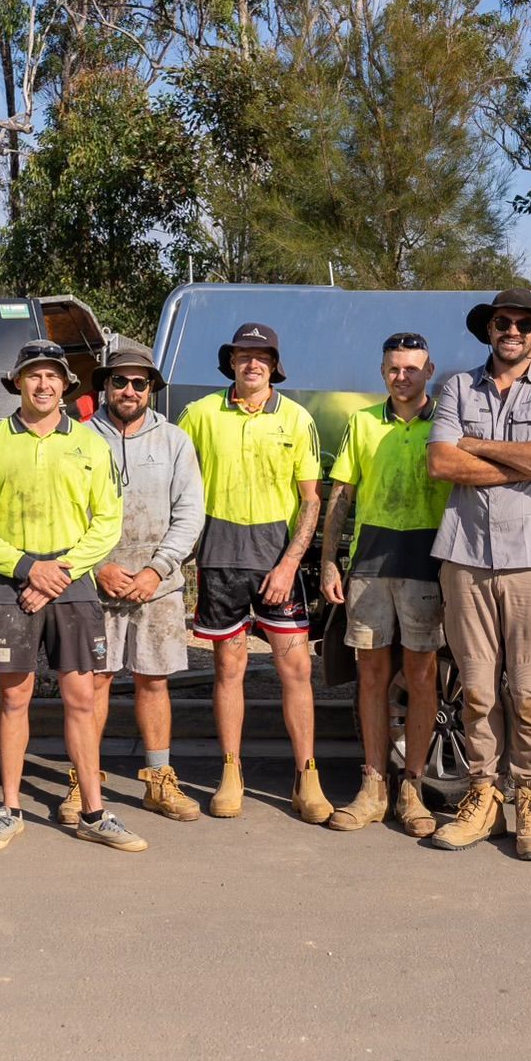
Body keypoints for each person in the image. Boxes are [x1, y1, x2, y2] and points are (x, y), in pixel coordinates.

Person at [0, 339, 147, 853]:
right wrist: (26, 569)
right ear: (17, 382)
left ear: (67, 385)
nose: (43, 384)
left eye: (52, 376)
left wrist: (59, 572)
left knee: (81, 698)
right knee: (14, 697)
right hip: (8, 581)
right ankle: (9, 809)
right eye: (33, 375)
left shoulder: (90, 444)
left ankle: (93, 811)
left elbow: (107, 522)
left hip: (72, 582)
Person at [427, 289, 531, 860]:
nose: (512, 330)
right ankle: (482, 796)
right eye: (503, 322)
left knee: (526, 690)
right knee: (474, 689)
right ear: (489, 329)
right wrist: (523, 461)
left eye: (524, 323)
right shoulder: (456, 386)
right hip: (465, 558)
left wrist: (480, 448)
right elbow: (441, 462)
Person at [179, 322, 331, 822]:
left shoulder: (296, 418)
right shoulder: (199, 414)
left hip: (276, 563)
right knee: (229, 668)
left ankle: (306, 774)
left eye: (262, 356)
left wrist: (290, 563)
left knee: (296, 669)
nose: (252, 363)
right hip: (220, 559)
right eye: (244, 355)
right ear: (231, 361)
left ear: (274, 364)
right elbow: (178, 484)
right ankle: (230, 771)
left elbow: (312, 499)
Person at [54, 343, 205, 825]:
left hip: (156, 584)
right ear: (104, 386)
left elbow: (190, 513)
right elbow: (63, 513)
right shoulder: (77, 438)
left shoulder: (175, 441)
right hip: (94, 580)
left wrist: (157, 569)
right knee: (93, 684)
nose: (129, 390)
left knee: (153, 680)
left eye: (140, 383)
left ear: (152, 390)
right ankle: (84, 781)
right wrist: (96, 567)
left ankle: (159, 778)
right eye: (119, 381)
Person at [320, 333, 451, 837]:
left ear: (429, 370)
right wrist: (331, 561)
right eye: (394, 369)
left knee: (421, 677)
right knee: (371, 676)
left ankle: (412, 788)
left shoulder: (445, 423)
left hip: (426, 564)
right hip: (370, 566)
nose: (403, 376)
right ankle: (374, 786)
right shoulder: (362, 423)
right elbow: (341, 495)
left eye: (412, 368)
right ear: (382, 372)